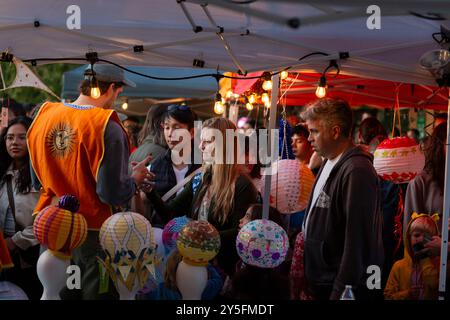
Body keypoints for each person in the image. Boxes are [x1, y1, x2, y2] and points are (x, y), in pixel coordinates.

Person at [27, 64, 152, 300]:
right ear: (112, 88)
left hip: (51, 227)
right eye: (118, 92)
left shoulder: (43, 115)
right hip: (92, 233)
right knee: (95, 294)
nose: (118, 97)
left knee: (56, 294)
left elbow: (37, 181)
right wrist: (133, 180)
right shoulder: (107, 126)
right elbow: (111, 194)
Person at [147, 117, 258, 277]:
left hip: (221, 272)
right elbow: (170, 214)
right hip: (192, 265)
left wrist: (198, 236)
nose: (201, 146)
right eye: (201, 140)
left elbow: (240, 232)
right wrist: (150, 191)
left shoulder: (242, 185)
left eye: (208, 141)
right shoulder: (201, 178)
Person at [299, 97, 384, 300]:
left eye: (314, 131)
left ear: (335, 131)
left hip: (337, 285)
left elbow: (358, 240)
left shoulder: (357, 170)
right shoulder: (329, 160)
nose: (309, 138)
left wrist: (340, 290)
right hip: (322, 280)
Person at [0, 116, 42, 300]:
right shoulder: (2, 172)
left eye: (21, 137)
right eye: (10, 138)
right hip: (5, 257)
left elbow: (47, 219)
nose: (14, 142)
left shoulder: (41, 175)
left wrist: (16, 241)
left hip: (32, 256)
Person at [384, 213, 440, 300]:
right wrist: (408, 294)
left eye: (426, 236)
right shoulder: (399, 267)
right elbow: (388, 296)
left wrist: (425, 259)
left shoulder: (438, 264)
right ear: (408, 239)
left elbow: (434, 285)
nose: (421, 239)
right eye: (417, 235)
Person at [139, 249, 223, 300]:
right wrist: (204, 263)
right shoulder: (204, 289)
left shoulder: (161, 290)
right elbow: (218, 280)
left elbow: (145, 295)